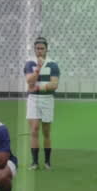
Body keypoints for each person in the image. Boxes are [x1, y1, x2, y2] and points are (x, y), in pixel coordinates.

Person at [24, 37, 59, 171]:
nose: (39, 51)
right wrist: (38, 69)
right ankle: (34, 162)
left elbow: (54, 85)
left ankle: (47, 161)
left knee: (46, 132)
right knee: (34, 130)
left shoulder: (52, 64)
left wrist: (39, 88)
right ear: (34, 49)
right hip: (33, 99)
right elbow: (29, 81)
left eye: (42, 48)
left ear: (46, 49)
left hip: (47, 99)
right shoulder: (29, 64)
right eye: (37, 49)